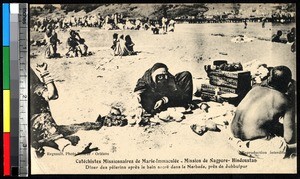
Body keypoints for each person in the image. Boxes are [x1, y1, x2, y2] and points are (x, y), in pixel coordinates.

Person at [230, 66, 296, 159]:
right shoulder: (285, 100)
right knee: (282, 147)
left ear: (270, 79)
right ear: (289, 84)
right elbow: (289, 138)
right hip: (254, 146)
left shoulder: (255, 89)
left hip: (233, 137)